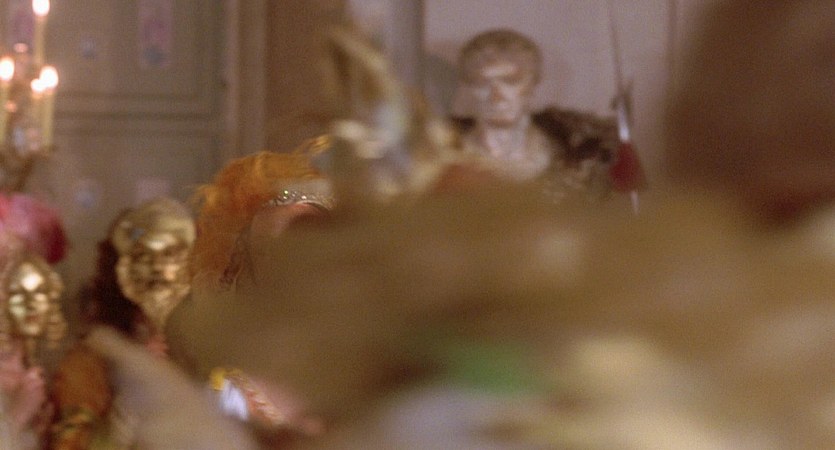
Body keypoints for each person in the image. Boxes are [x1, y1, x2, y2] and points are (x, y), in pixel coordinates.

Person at [50, 197, 196, 449]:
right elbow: (72, 443)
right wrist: (130, 396)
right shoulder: (91, 362)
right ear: (123, 273)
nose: (158, 269)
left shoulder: (209, 349)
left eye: (171, 256)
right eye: (144, 258)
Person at [453, 28, 622, 202]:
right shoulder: (444, 160)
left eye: (511, 81)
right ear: (469, 87)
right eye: (483, 83)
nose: (497, 97)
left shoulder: (579, 154)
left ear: (533, 83)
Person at [0, 245, 66, 450]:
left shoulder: (47, 367)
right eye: (18, 293)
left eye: (38, 292)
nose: (30, 304)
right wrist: (17, 415)